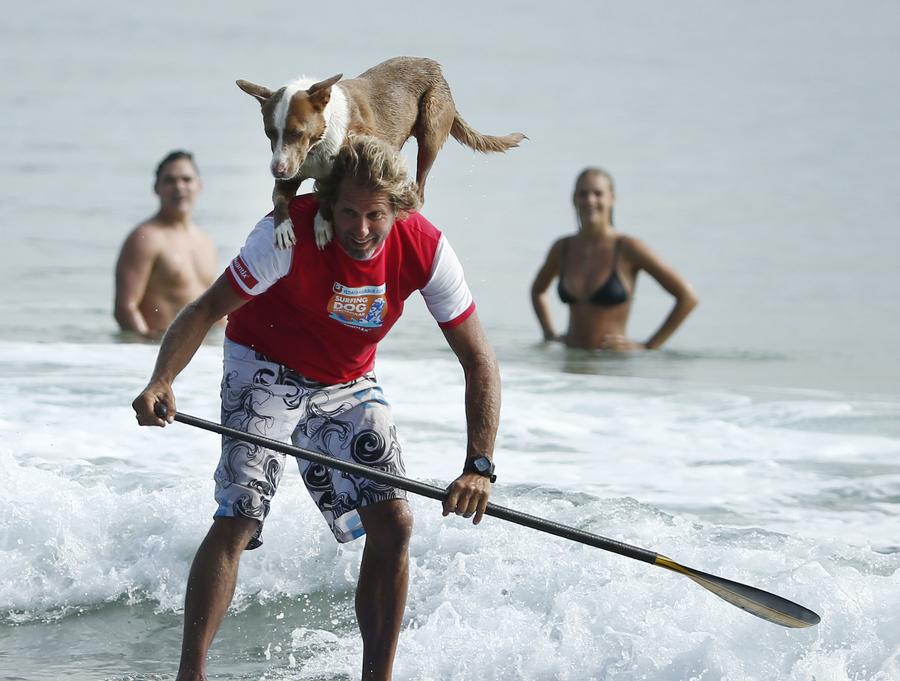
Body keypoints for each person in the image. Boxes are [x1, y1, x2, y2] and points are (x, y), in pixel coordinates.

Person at [131, 136, 501, 681]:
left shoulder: (425, 247)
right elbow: (207, 307)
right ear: (328, 204)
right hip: (264, 364)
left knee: (396, 522)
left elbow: (479, 360)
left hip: (346, 380)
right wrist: (161, 378)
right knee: (240, 514)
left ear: (397, 209)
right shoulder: (287, 235)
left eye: (375, 215)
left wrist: (479, 465)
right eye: (347, 213)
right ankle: (191, 674)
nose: (360, 229)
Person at [531, 167, 698, 350]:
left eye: (598, 193)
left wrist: (648, 346)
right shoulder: (563, 248)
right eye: (583, 194)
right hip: (570, 366)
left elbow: (687, 297)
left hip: (613, 368)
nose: (590, 200)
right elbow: (538, 291)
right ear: (574, 199)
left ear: (612, 198)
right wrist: (549, 334)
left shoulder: (628, 248)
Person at [114, 150, 218, 338]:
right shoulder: (145, 238)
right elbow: (125, 308)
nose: (179, 187)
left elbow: (215, 307)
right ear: (156, 188)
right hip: (157, 351)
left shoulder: (205, 241)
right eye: (170, 181)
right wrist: (147, 347)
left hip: (201, 354)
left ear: (199, 186)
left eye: (186, 179)